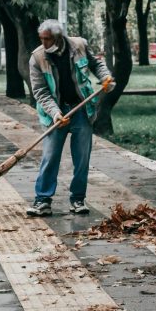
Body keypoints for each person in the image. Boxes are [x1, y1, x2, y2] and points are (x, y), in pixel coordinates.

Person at [26, 19, 115, 218]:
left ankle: (78, 199)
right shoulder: (37, 58)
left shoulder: (79, 46)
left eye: (47, 39)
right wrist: (55, 113)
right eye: (41, 39)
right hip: (55, 115)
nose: (44, 43)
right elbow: (40, 91)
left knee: (82, 158)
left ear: (58, 37)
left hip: (81, 110)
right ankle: (42, 201)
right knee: (50, 158)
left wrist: (106, 78)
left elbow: (96, 64)